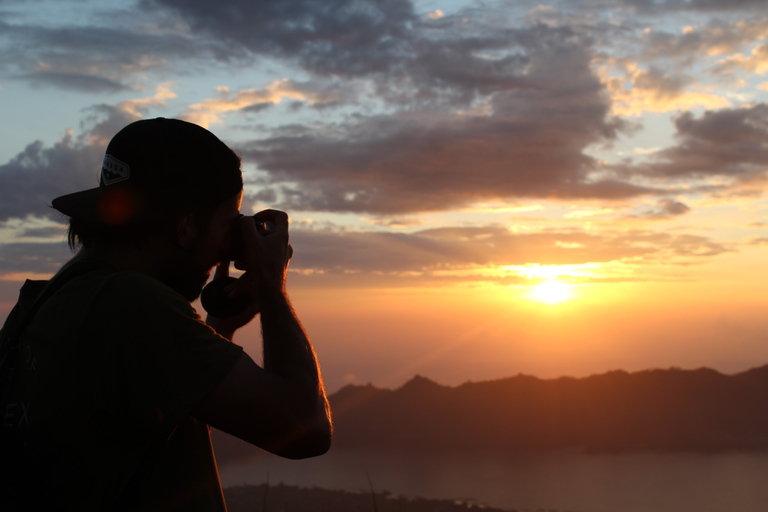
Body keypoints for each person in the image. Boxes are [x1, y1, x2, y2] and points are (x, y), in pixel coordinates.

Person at [0, 118, 332, 511]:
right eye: (227, 224)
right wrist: (271, 289)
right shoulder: (129, 305)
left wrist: (219, 330)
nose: (225, 249)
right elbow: (305, 428)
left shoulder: (42, 303)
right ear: (187, 227)